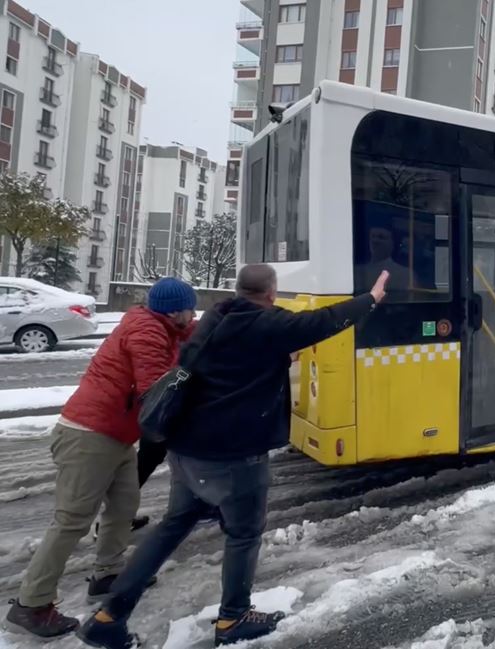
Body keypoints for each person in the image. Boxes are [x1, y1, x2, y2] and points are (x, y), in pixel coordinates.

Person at [77, 264, 389, 649]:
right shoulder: (267, 325)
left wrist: (273, 361)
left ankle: (109, 616)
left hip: (188, 449)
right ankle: (233, 617)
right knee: (243, 534)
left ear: (238, 290)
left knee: (172, 525)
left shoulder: (216, 319)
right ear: (271, 294)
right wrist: (371, 298)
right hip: (233, 454)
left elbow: (236, 360)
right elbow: (323, 321)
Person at [4, 278, 197, 639]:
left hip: (115, 435)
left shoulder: (163, 327)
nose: (192, 315)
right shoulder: (147, 334)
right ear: (176, 311)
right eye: (190, 308)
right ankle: (30, 604)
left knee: (124, 506)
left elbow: (195, 336)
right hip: (88, 435)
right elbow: (158, 390)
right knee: (72, 521)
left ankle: (107, 574)